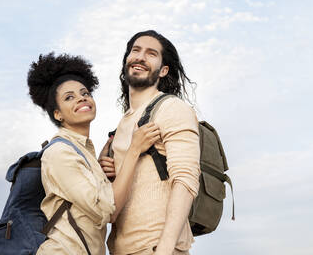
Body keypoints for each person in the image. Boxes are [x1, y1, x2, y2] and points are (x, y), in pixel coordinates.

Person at [27, 52, 161, 255]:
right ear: (58, 114)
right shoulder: (59, 153)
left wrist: (101, 172)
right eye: (69, 97)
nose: (82, 98)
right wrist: (134, 149)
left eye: (85, 93)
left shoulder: (83, 153)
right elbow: (109, 210)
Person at [102, 30, 201, 255]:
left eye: (151, 53)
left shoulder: (171, 108)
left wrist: (165, 248)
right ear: (126, 60)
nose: (140, 57)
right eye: (135, 51)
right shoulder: (121, 125)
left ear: (163, 70)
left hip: (157, 246)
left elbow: (185, 179)